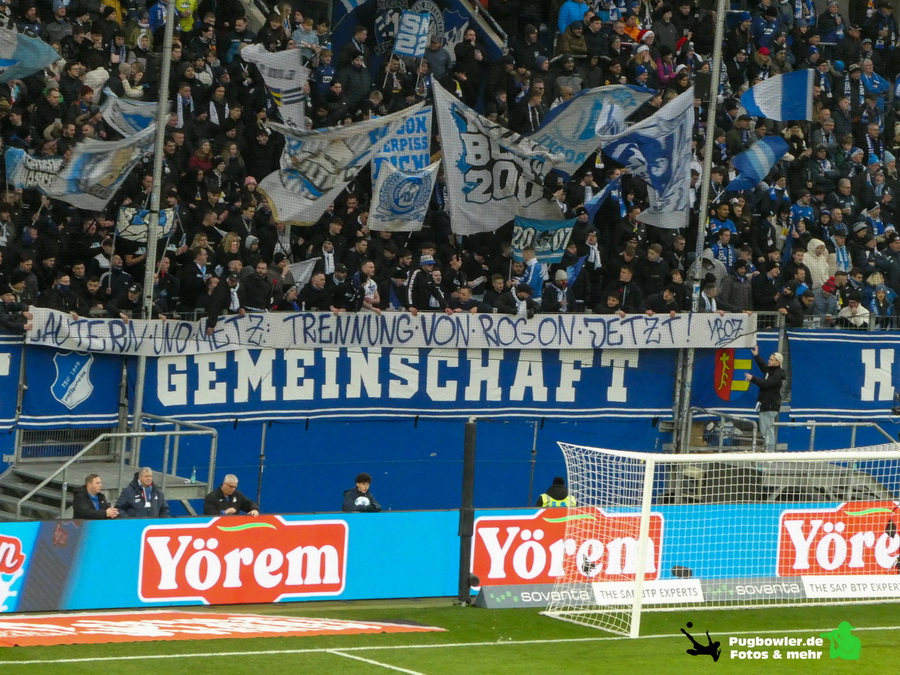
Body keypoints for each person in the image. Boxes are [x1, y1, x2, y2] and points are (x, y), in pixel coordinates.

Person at [743, 346, 784, 451]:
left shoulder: (777, 375)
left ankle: (769, 455)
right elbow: (763, 366)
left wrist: (752, 378)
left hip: (770, 406)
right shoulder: (771, 371)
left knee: (767, 432)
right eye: (769, 358)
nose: (769, 361)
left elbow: (766, 384)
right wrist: (756, 356)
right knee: (765, 431)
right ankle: (768, 452)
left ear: (778, 362)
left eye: (771, 359)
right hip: (766, 405)